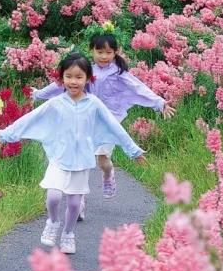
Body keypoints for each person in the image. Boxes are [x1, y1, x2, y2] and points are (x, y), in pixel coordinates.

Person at [0, 52, 145, 254]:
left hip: (82, 161)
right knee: (53, 196)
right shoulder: (56, 103)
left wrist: (132, 149)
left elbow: (114, 127)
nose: (73, 81)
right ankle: (53, 222)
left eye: (79, 77)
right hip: (59, 158)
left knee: (74, 203)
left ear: (88, 78)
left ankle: (68, 234)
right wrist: (4, 135)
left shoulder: (94, 104)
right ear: (61, 78)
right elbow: (31, 119)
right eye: (68, 76)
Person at [32, 30, 174, 198]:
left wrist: (159, 103)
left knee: (102, 160)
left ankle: (108, 173)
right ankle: (79, 199)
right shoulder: (87, 71)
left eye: (108, 52)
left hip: (109, 120)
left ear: (115, 52)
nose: (104, 56)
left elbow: (138, 88)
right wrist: (38, 94)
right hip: (88, 118)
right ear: (91, 51)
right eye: (100, 52)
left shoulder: (119, 73)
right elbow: (62, 83)